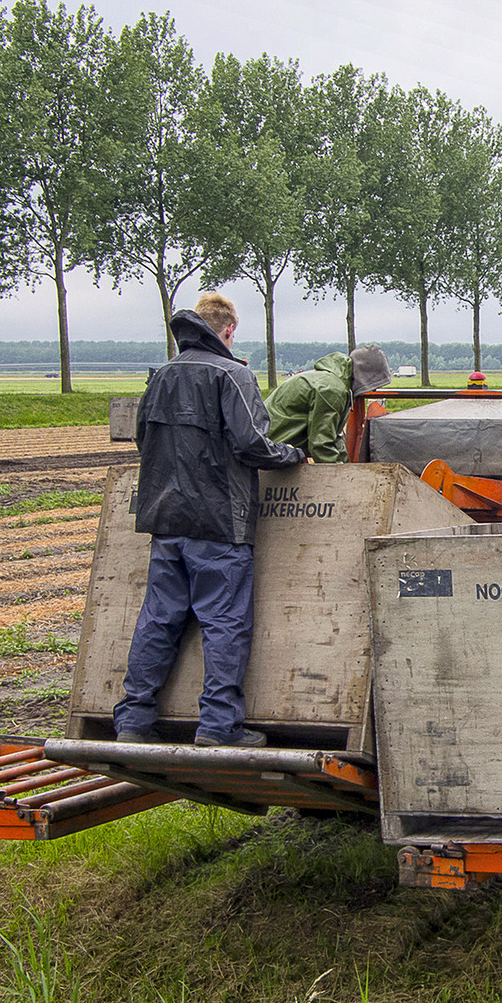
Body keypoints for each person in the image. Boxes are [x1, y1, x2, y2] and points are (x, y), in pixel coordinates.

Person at [113, 292, 305, 749]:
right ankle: (219, 728)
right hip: (219, 523)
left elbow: (144, 439)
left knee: (158, 619)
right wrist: (295, 454)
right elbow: (252, 444)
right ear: (229, 330)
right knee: (224, 623)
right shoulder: (232, 374)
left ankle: (133, 722)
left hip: (165, 519)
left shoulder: (160, 376)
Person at [264, 344, 392, 462]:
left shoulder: (335, 382)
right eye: (374, 384)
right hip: (271, 449)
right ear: (365, 376)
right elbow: (321, 444)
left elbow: (334, 437)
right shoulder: (332, 390)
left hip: (274, 445)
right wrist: (343, 478)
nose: (373, 390)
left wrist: (348, 469)